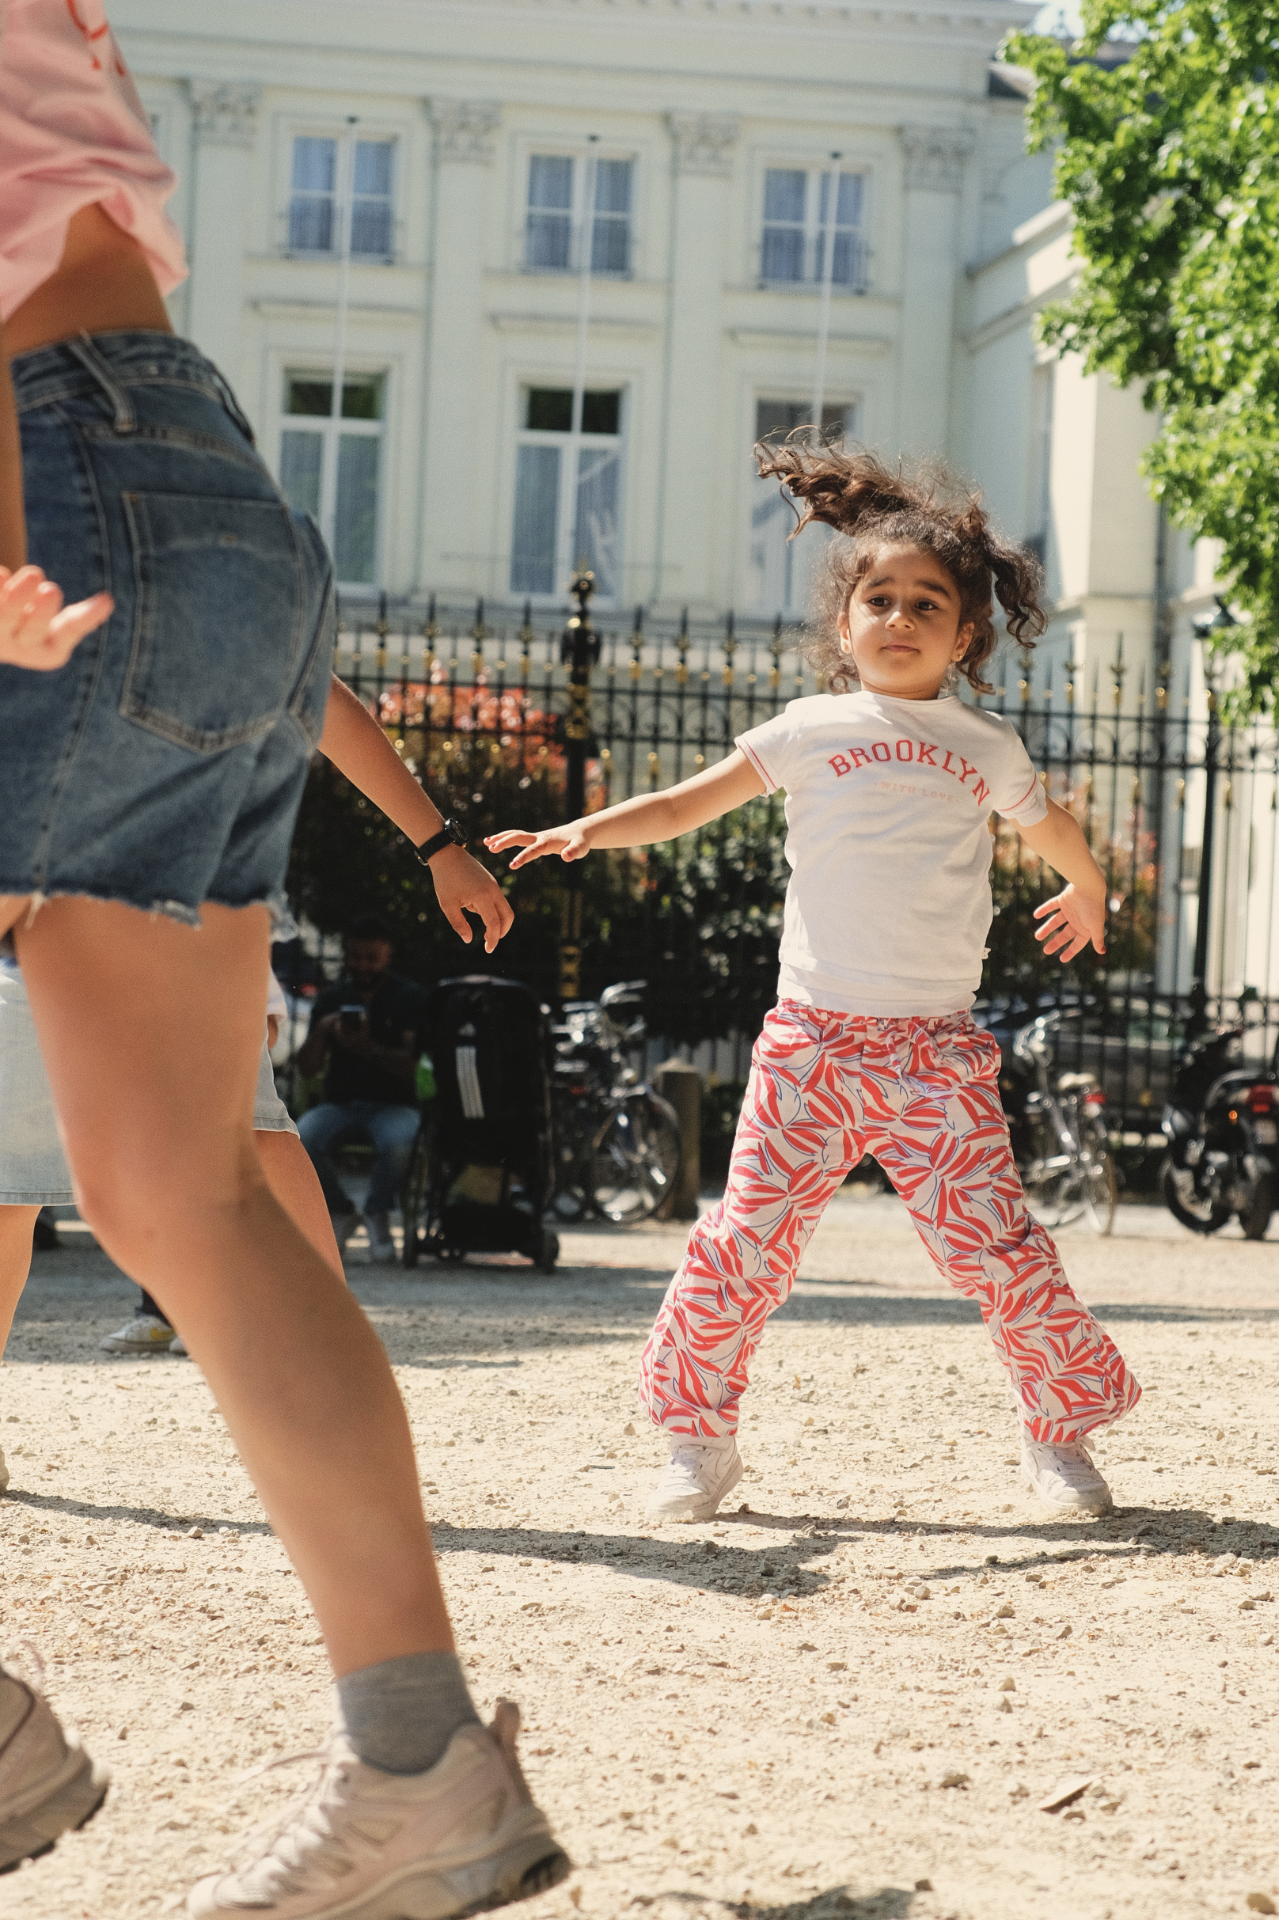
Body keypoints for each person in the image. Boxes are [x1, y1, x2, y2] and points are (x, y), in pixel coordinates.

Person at [0, 5, 568, 1911]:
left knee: (176, 1190)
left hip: (45, 488)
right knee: (186, 1195)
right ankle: (417, 1764)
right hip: (200, 480)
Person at [489, 444, 1140, 1528]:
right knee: (743, 1245)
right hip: (811, 1047)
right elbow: (682, 804)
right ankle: (697, 1438)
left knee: (999, 1250)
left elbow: (1052, 826)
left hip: (935, 1054)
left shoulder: (985, 746)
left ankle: (1057, 1433)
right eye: (877, 599)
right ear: (844, 625)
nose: (898, 617)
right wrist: (585, 830)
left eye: (926, 603)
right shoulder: (805, 730)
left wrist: (1088, 887)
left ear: (964, 636)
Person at [296, 915, 426, 1263]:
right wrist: (323, 1030)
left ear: (388, 955)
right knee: (302, 1137)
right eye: (355, 956)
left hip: (395, 1103)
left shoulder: (409, 998)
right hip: (341, 1102)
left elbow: (415, 1066)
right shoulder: (332, 999)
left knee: (399, 1142)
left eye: (372, 958)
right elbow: (306, 1068)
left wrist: (369, 1048)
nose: (363, 966)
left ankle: (376, 1212)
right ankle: (340, 1210)